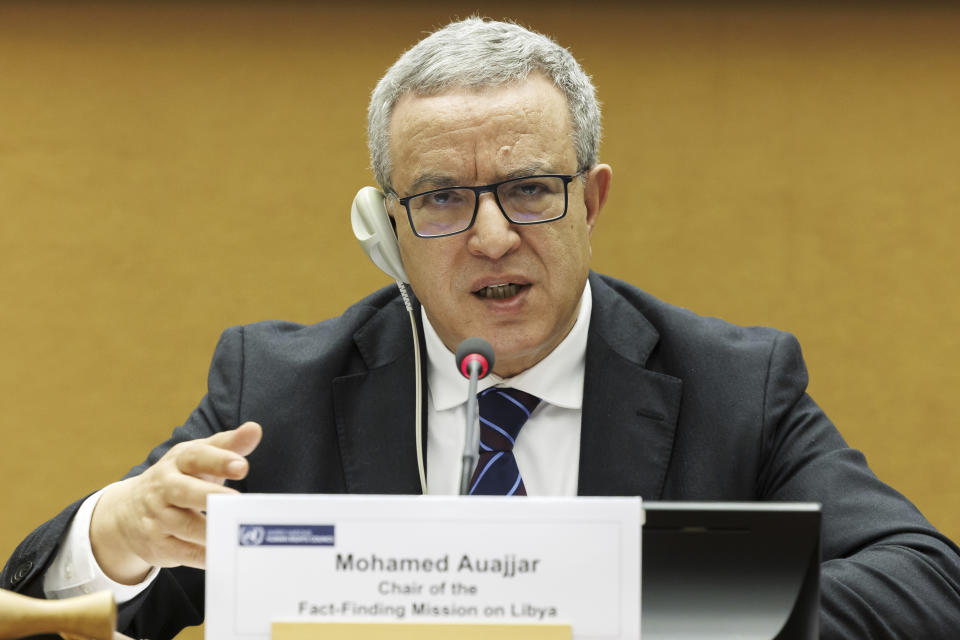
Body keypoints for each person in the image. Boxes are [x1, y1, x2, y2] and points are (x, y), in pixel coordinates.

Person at [4, 17, 960, 639]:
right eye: (443, 199)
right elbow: (50, 609)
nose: (493, 236)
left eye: (530, 190)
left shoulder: (730, 384)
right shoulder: (280, 391)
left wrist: (623, 596)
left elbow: (927, 585)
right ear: (388, 228)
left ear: (591, 200)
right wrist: (119, 529)